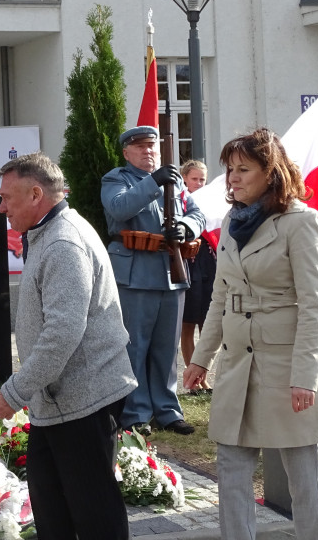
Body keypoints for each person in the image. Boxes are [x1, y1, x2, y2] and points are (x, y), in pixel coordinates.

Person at [183, 128, 318, 540]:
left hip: (286, 362)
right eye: (229, 169)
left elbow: (313, 305)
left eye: (243, 169)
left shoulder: (301, 222)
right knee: (231, 466)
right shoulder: (234, 220)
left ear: (270, 172)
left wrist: (304, 376)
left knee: (301, 472)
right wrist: (202, 357)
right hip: (238, 362)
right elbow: (221, 295)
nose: (232, 178)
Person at [0, 152, 136, 540]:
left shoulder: (63, 243)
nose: (1, 207)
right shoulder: (46, 234)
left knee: (94, 514)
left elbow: (63, 333)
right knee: (54, 512)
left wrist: (15, 392)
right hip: (60, 401)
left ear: (36, 194)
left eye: (7, 198)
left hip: (83, 400)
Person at [102, 125, 205, 436]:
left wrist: (186, 227)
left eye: (152, 146)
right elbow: (119, 208)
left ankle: (167, 410)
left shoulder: (174, 183)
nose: (148, 151)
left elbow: (198, 213)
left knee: (165, 348)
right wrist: (153, 182)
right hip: (135, 274)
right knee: (135, 348)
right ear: (126, 152)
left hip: (170, 274)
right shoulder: (116, 178)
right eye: (141, 146)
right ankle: (135, 413)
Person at [179, 159, 215, 391]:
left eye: (203, 179)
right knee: (188, 323)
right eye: (195, 179)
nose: (200, 183)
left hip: (209, 262)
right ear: (184, 179)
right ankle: (193, 380)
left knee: (208, 320)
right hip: (189, 262)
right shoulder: (179, 201)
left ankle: (204, 375)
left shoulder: (212, 200)